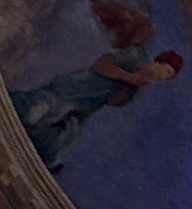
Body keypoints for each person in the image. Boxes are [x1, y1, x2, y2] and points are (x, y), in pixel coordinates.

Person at [14, 48, 180, 169]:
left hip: (84, 108)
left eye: (167, 78)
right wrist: (128, 76)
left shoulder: (136, 89)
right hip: (74, 88)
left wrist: (132, 86)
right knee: (33, 113)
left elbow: (113, 101)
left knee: (60, 141)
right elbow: (102, 64)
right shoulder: (136, 56)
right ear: (160, 61)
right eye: (166, 71)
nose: (162, 77)